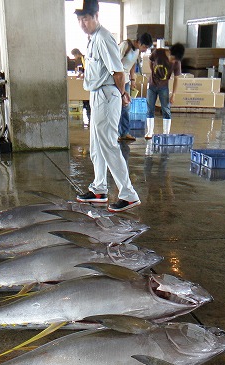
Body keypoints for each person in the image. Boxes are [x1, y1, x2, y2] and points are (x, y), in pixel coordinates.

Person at [74, 0, 141, 213]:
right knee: (97, 145)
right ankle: (99, 189)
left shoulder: (104, 38)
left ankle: (128, 195)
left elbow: (118, 72)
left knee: (109, 145)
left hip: (107, 95)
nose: (82, 23)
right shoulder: (93, 38)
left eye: (85, 18)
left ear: (96, 16)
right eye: (79, 19)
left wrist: (122, 95)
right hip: (97, 94)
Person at [117, 32, 152, 142]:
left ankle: (124, 132)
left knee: (126, 106)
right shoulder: (125, 46)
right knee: (117, 106)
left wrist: (132, 80)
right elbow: (115, 61)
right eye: (145, 46)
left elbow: (132, 65)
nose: (145, 49)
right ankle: (116, 133)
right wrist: (119, 79)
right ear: (139, 42)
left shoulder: (137, 51)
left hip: (126, 80)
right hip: (117, 80)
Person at [145, 48, 180, 139]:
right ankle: (149, 131)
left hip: (164, 87)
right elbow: (150, 60)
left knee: (166, 109)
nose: (173, 61)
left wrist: (174, 94)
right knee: (150, 108)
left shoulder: (177, 62)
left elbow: (176, 78)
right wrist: (153, 72)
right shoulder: (158, 53)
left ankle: (166, 133)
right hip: (152, 85)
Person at [71, 47, 91, 121]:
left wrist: (81, 74)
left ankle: (88, 111)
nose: (74, 57)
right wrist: (79, 74)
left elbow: (86, 69)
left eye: (74, 56)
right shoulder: (82, 59)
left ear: (77, 54)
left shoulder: (84, 58)